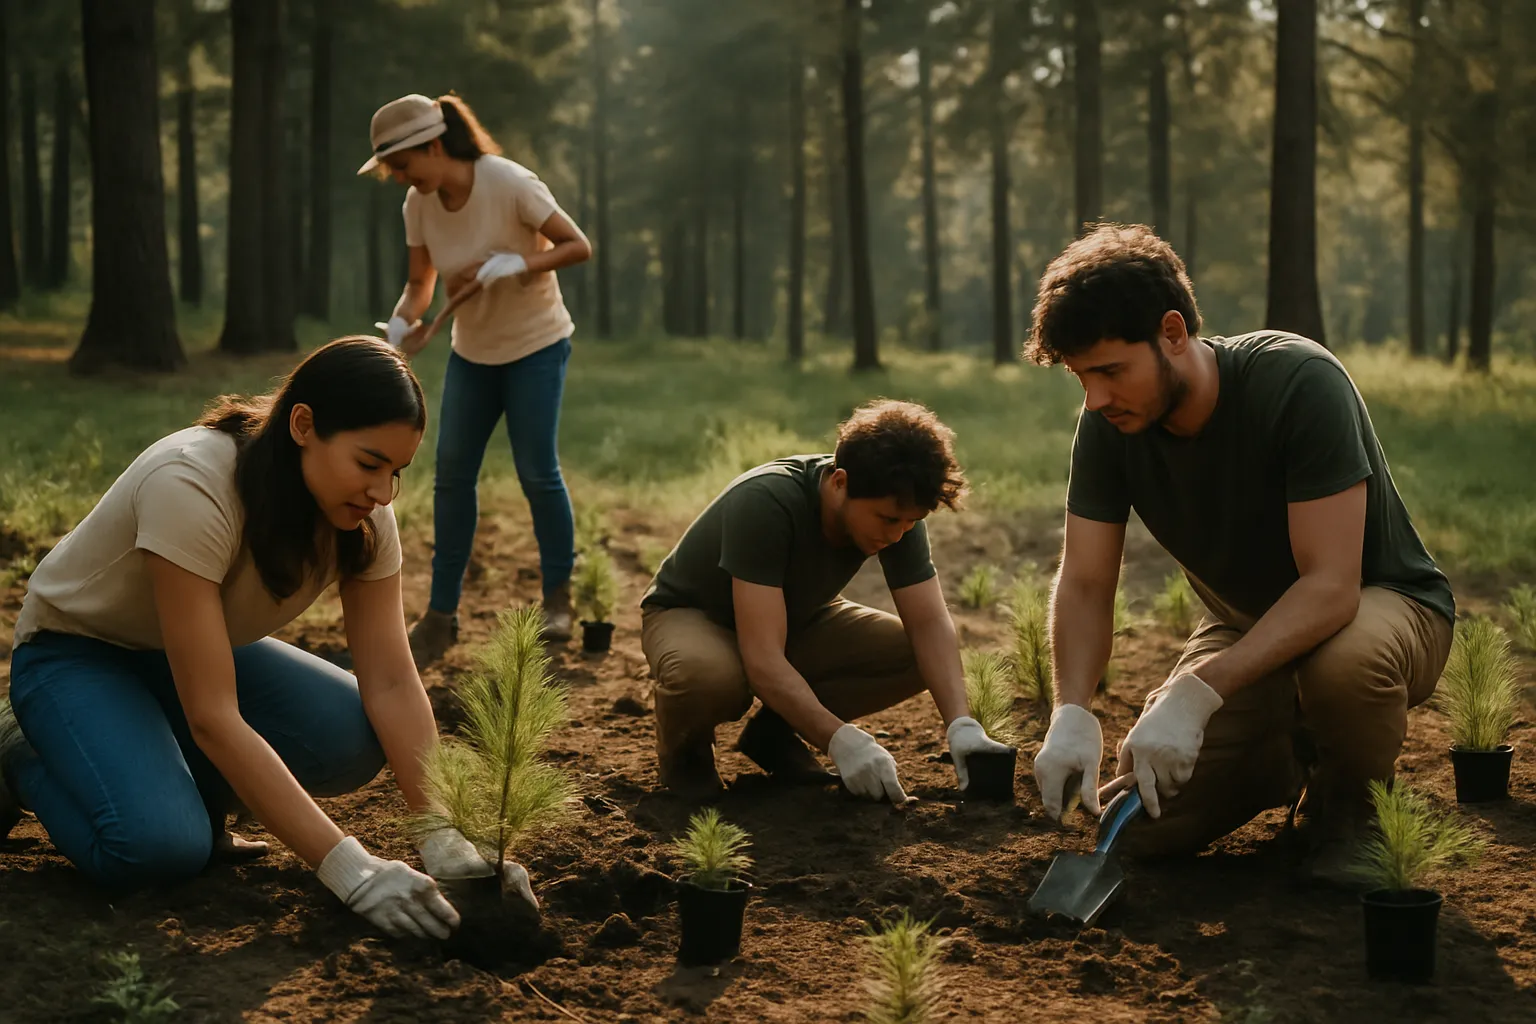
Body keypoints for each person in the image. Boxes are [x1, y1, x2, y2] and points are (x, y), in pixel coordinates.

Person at [0, 339, 534, 940]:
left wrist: (442, 833)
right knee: (159, 848)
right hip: (75, 653)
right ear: (303, 425)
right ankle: (20, 751)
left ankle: (173, 779)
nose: (383, 494)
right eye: (368, 463)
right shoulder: (193, 484)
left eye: (397, 471)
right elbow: (213, 716)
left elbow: (389, 680)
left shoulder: (362, 519)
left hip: (181, 657)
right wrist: (353, 872)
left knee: (353, 735)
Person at [1026, 224, 1455, 877]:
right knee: (1147, 828)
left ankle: (1348, 807)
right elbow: (1085, 582)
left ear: (1172, 333)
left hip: (1382, 608)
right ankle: (1281, 753)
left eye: (1111, 371)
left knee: (1344, 667)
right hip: (1246, 630)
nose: (1096, 398)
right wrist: (1071, 711)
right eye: (1083, 377)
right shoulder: (1109, 428)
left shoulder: (1296, 381)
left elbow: (1330, 587)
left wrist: (1195, 695)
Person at [639, 400, 1014, 801]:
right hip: (694, 614)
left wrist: (962, 726)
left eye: (912, 522)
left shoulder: (899, 513)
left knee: (916, 653)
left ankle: (774, 735)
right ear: (839, 483)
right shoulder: (767, 501)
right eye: (888, 519)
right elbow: (763, 659)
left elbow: (929, 625)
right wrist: (839, 740)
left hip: (796, 615)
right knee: (711, 678)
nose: (899, 534)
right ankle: (686, 752)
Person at [359, 92, 593, 664]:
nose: (398, 179)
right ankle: (441, 616)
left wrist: (521, 262)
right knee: (451, 475)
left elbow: (577, 245)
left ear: (434, 146)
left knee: (538, 473)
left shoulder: (510, 183)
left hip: (537, 345)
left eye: (403, 165)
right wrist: (400, 324)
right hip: (474, 351)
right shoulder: (420, 203)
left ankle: (558, 598)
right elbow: (422, 282)